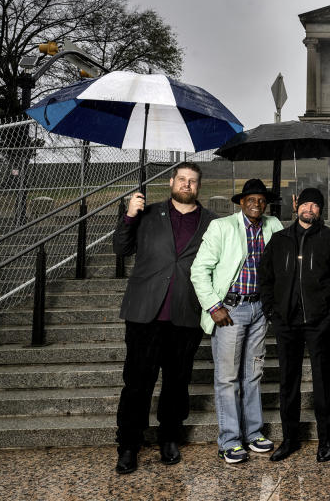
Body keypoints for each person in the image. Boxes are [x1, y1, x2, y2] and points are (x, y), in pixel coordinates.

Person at [112, 162, 217, 475]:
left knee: (177, 383)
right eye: (181, 179)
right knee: (137, 384)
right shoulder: (146, 212)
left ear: (199, 186)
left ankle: (169, 437)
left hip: (185, 314)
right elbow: (120, 248)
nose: (186, 185)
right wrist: (129, 214)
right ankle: (129, 444)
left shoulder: (211, 222)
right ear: (171, 181)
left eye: (192, 181)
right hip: (145, 315)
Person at [191, 178, 283, 464]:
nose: (257, 203)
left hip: (259, 310)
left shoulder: (273, 226)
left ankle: (254, 433)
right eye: (251, 199)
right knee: (228, 377)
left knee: (253, 374)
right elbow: (198, 270)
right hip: (230, 311)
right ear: (241, 202)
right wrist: (213, 306)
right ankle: (229, 440)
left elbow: (287, 256)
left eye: (261, 199)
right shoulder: (222, 227)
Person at [260, 187, 330, 463]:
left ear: (321, 210)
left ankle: (325, 440)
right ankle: (290, 439)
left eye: (315, 205)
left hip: (319, 323)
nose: (309, 209)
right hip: (286, 322)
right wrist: (273, 313)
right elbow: (265, 279)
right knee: (288, 382)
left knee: (324, 382)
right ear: (296, 205)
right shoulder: (279, 240)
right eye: (305, 203)